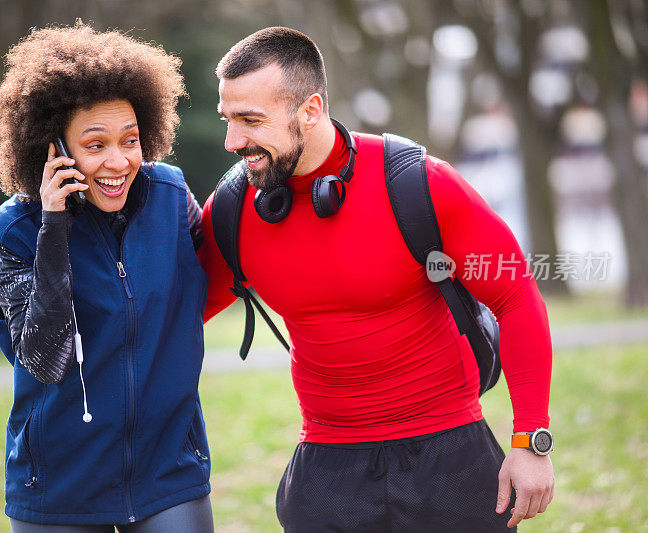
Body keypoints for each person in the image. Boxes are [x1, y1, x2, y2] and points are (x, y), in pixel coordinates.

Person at [198, 27, 554, 532]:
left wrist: (530, 440)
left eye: (251, 121)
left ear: (311, 109)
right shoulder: (234, 210)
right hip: (326, 467)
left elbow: (516, 295)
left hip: (449, 454)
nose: (234, 141)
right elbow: (175, 316)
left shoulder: (419, 183)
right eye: (228, 120)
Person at [0, 23, 213, 532]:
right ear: (53, 149)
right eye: (94, 144)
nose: (118, 161)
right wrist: (54, 227)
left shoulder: (171, 198)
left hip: (167, 473)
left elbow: (216, 273)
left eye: (130, 140)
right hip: (59, 487)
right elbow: (45, 358)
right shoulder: (11, 232)